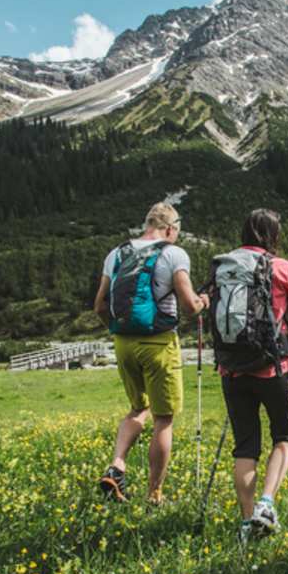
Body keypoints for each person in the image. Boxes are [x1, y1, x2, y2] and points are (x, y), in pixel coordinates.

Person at [212, 209, 288, 544]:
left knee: (245, 446)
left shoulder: (224, 266)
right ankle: (266, 504)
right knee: (286, 436)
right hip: (274, 367)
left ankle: (248, 525)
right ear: (274, 235)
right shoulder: (283, 268)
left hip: (232, 368)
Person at [94, 202, 209, 506]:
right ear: (171, 229)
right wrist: (203, 303)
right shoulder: (173, 254)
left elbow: (100, 306)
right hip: (158, 343)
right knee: (163, 420)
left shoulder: (116, 254)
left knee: (136, 409)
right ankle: (154, 495)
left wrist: (117, 331)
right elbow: (188, 305)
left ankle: (117, 465)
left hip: (123, 343)